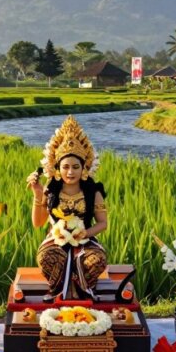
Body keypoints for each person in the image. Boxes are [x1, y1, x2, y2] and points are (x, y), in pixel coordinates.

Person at [27, 115, 108, 302]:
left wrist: (83, 234)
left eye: (75, 167)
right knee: (48, 258)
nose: (70, 172)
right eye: (65, 167)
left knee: (96, 260)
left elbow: (102, 223)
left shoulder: (93, 192)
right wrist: (38, 195)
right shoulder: (51, 191)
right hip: (55, 240)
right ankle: (59, 291)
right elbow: (38, 223)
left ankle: (82, 291)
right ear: (57, 168)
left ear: (84, 168)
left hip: (85, 241)